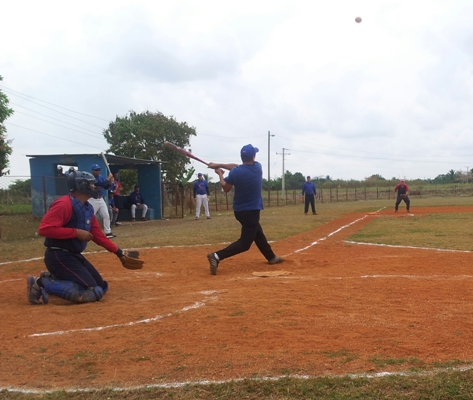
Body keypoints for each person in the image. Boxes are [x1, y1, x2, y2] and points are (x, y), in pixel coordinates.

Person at [26, 170, 127, 305]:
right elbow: (45, 229)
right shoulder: (64, 204)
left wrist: (119, 252)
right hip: (58, 255)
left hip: (73, 255)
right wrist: (75, 233)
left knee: (101, 287)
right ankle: (41, 283)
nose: (94, 187)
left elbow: (97, 235)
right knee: (92, 291)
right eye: (91, 184)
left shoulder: (87, 208)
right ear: (81, 185)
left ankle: (51, 278)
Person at [206, 144, 283, 275]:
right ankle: (217, 256)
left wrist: (220, 174)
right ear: (253, 156)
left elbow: (225, 187)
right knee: (245, 243)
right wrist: (220, 168)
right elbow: (237, 168)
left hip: (239, 211)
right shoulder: (257, 167)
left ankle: (271, 257)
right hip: (251, 211)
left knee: (257, 232)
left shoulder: (236, 172)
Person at [89, 164, 116, 238]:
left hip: (100, 199)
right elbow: (99, 184)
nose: (98, 171)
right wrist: (108, 179)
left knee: (106, 215)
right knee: (90, 216)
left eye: (99, 170)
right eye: (96, 170)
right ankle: (87, 231)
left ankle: (108, 232)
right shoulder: (91, 178)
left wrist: (110, 182)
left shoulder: (100, 177)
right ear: (92, 171)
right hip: (92, 199)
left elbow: (105, 186)